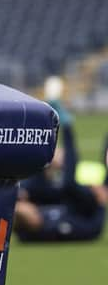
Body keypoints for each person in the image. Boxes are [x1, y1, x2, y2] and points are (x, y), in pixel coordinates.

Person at [13, 101, 106, 241]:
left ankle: (42, 123)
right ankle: (66, 125)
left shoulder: (28, 227)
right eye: (26, 210)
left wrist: (22, 196)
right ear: (32, 221)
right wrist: (101, 205)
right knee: (68, 184)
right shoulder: (53, 228)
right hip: (85, 205)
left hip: (55, 197)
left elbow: (28, 194)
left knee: (34, 182)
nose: (27, 207)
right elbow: (94, 229)